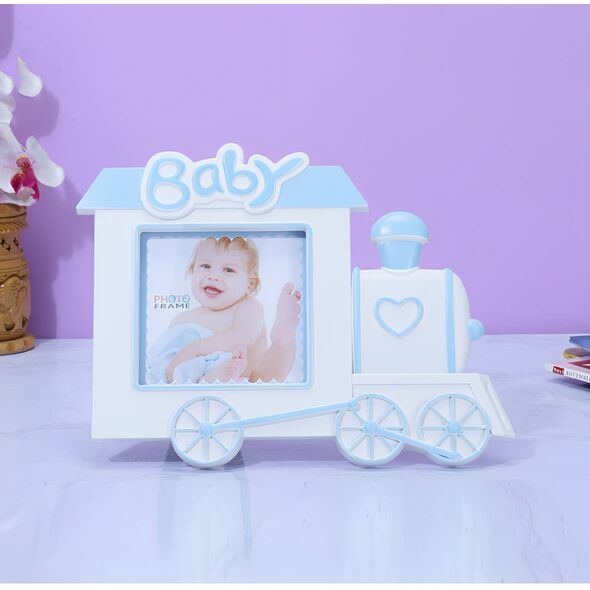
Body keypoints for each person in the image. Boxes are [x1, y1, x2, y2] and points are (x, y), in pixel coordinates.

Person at [165, 236, 301, 384]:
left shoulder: (248, 306)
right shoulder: (182, 320)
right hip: (203, 384)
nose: (213, 276)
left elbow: (244, 336)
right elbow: (167, 361)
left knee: (269, 370)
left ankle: (283, 339)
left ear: (250, 284)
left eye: (228, 270)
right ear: (193, 271)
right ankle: (219, 376)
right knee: (196, 377)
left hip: (253, 380)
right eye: (205, 266)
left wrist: (193, 349)